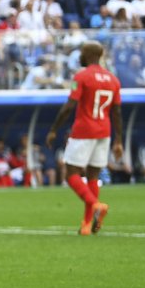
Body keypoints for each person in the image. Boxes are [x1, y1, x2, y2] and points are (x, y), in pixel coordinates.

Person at [46, 41, 123, 236]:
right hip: (104, 131)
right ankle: (87, 225)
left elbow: (69, 106)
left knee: (70, 174)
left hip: (83, 131)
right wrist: (119, 140)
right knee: (93, 177)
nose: (79, 55)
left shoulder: (81, 77)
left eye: (81, 52)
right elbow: (117, 112)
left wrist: (54, 129)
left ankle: (95, 205)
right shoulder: (113, 79)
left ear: (88, 54)